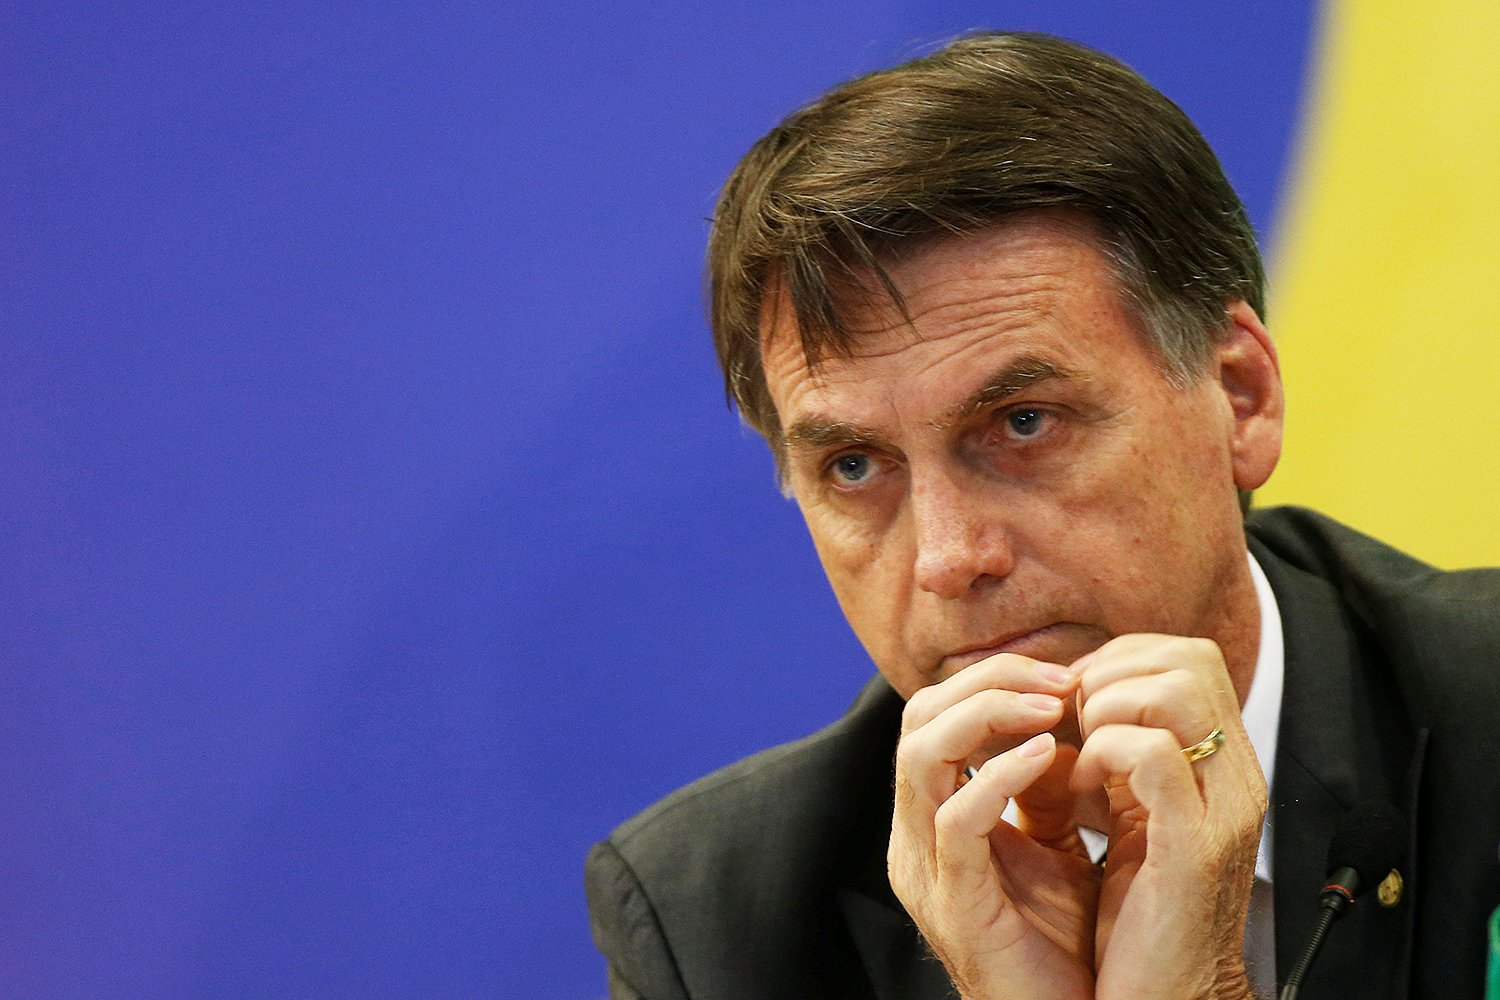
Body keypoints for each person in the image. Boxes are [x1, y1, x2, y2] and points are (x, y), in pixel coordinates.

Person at [584, 31, 1500, 1000]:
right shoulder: (720, 926)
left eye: (1023, 422)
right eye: (853, 466)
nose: (949, 557)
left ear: (1240, 396)